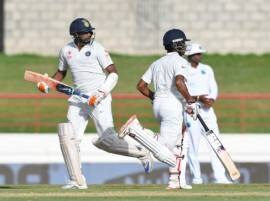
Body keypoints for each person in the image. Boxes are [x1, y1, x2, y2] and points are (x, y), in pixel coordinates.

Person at [37, 18, 153, 189]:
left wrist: (100, 93)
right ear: (75, 35)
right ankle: (77, 180)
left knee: (107, 140)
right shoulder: (66, 50)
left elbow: (113, 74)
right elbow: (61, 73)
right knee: (70, 138)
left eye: (90, 32)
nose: (89, 34)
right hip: (78, 100)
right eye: (85, 32)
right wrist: (47, 84)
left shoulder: (97, 48)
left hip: (99, 98)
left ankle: (142, 152)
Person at [119, 29, 199, 189]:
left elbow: (141, 86)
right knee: (166, 147)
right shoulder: (180, 62)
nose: (185, 46)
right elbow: (179, 82)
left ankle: (175, 181)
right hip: (172, 106)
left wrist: (155, 97)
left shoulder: (157, 63)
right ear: (176, 45)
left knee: (179, 144)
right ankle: (136, 130)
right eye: (183, 43)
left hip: (158, 104)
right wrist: (190, 100)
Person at [184, 43, 231, 184]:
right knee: (193, 146)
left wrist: (211, 99)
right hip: (192, 112)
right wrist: (199, 98)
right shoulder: (183, 70)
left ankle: (220, 177)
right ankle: (196, 178)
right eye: (197, 54)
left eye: (200, 54)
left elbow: (213, 87)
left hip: (208, 111)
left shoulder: (207, 69)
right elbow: (182, 91)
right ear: (191, 55)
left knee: (216, 143)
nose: (200, 56)